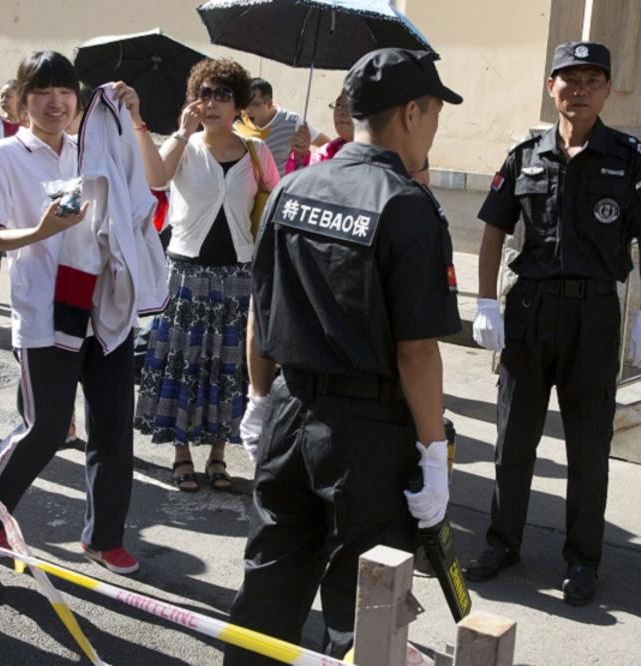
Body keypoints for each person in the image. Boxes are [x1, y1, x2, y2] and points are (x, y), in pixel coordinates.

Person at [224, 48, 462, 663]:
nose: (434, 127)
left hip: (287, 409)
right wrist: (434, 452)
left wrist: (257, 400)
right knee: (366, 604)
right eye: (435, 114)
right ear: (412, 112)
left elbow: (259, 306)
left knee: (271, 581)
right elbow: (416, 351)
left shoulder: (291, 187)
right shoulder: (407, 205)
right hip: (367, 434)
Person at [465, 41, 641, 605]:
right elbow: (492, 230)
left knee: (587, 448)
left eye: (591, 79)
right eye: (568, 79)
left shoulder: (629, 156)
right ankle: (503, 541)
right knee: (514, 439)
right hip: (530, 310)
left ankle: (582, 559)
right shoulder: (524, 154)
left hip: (594, 314)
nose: (578, 89)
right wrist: (485, 303)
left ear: (606, 89)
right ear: (551, 87)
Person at [0, 50, 158, 575]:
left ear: (78, 98)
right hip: (45, 308)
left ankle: (103, 537)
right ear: (24, 97)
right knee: (46, 427)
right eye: (42, 92)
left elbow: (148, 187)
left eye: (65, 92)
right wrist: (40, 232)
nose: (55, 103)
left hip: (105, 304)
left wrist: (134, 118)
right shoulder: (6, 154)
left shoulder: (94, 150)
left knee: (115, 426)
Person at [133, 59, 279, 493]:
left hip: (237, 276)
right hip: (185, 273)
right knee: (184, 362)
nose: (211, 102)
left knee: (226, 366)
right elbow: (154, 178)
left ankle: (218, 455)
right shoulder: (185, 146)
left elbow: (275, 200)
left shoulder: (256, 151)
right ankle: (181, 455)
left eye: (222, 95)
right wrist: (179, 132)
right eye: (204, 93)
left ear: (238, 105)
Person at [235, 77, 328, 174]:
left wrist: (310, 168)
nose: (248, 110)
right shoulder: (238, 122)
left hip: (280, 187)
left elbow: (327, 145)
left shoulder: (293, 123)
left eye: (255, 104)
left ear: (269, 104)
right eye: (245, 104)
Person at [0, 78, 25, 311]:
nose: (3, 100)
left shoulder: (29, 125)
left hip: (19, 191)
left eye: (8, 95)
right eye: (1, 95)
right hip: (1, 189)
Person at [283, 90, 353, 174]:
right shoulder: (326, 154)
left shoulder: (371, 160)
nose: (341, 112)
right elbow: (301, 184)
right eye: (338, 104)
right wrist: (300, 158)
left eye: (350, 105)